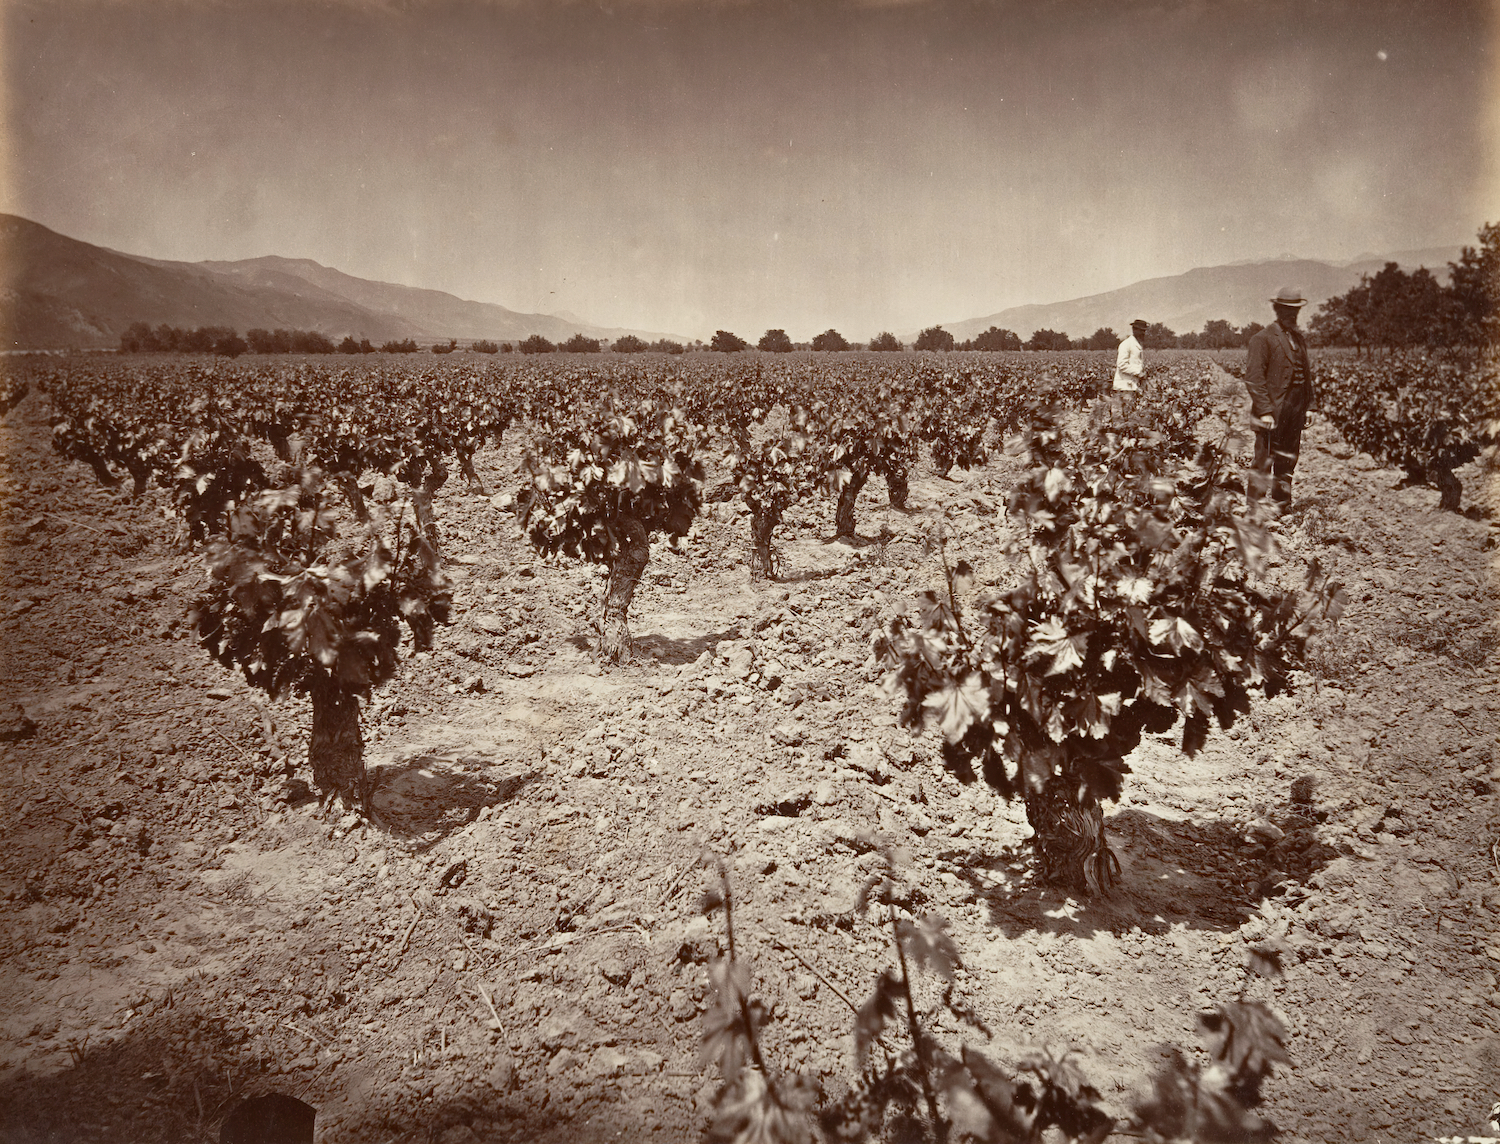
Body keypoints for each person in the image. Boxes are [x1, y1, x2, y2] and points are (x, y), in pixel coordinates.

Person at [1244, 286, 1314, 509]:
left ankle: (1281, 504)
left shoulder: (1299, 339)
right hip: (1272, 410)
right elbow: (1254, 378)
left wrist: (1310, 407)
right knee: (1264, 460)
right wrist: (1264, 410)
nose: (1291, 314)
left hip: (1295, 410)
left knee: (1288, 458)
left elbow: (1307, 376)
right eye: (1286, 309)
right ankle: (1255, 508)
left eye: (1295, 310)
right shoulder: (1262, 339)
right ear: (1276, 309)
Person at [1113, 319, 1149, 392]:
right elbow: (1122, 365)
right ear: (1134, 330)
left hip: (1132, 385)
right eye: (1141, 330)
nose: (1143, 333)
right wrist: (1138, 373)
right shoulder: (1126, 344)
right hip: (1124, 386)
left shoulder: (1137, 344)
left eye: (1144, 331)